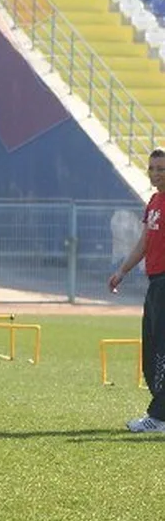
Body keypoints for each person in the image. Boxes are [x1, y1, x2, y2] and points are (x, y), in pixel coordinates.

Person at [109, 147, 165, 433]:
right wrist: (122, 271)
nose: (155, 173)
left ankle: (159, 417)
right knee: (152, 350)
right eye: (152, 168)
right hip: (155, 283)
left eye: (161, 169)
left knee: (162, 352)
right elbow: (145, 242)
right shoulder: (154, 201)